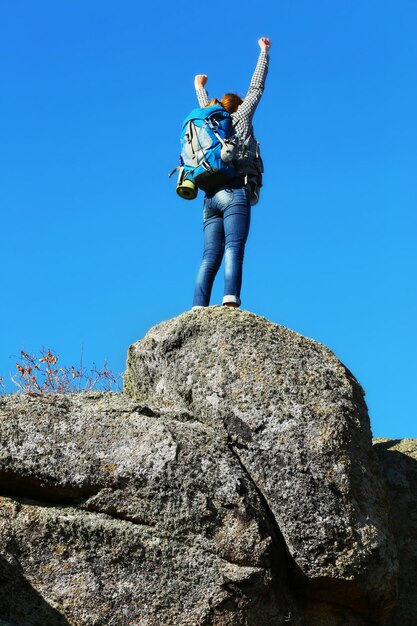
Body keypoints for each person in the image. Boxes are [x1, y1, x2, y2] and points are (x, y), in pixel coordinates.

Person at [192, 37, 271, 309]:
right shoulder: (241, 117)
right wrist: (264, 52)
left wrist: (199, 88)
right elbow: (256, 87)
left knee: (209, 255)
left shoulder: (211, 125)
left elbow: (205, 109)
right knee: (234, 247)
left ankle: (197, 307)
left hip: (209, 197)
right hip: (235, 191)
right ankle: (230, 299)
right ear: (237, 107)